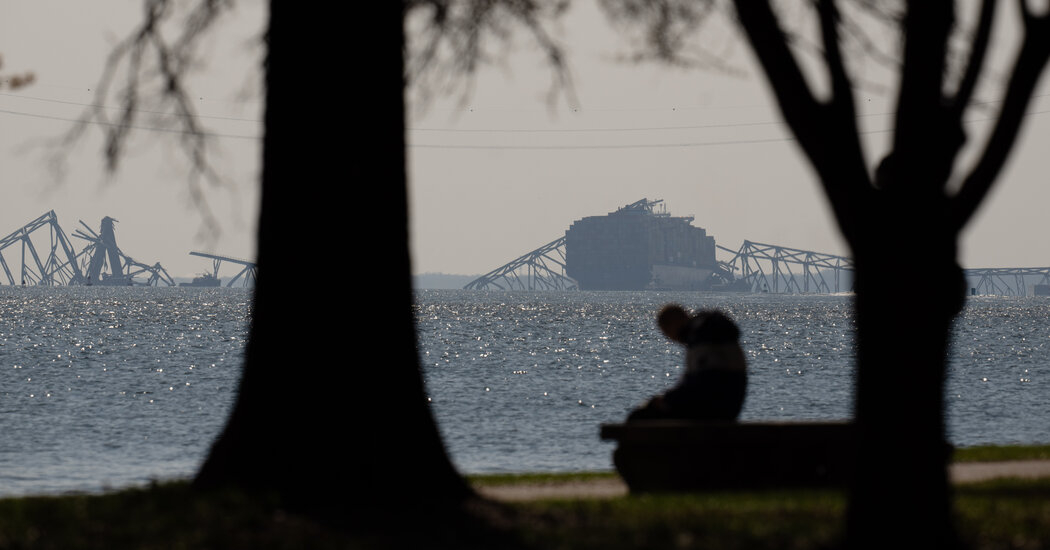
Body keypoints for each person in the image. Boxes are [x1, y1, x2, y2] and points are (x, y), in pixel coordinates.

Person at [627, 304, 747, 421]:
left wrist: (668, 399)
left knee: (640, 416)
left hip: (715, 409)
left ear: (672, 324)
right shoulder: (711, 330)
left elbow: (705, 382)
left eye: (666, 332)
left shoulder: (701, 337)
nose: (670, 338)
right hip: (730, 404)